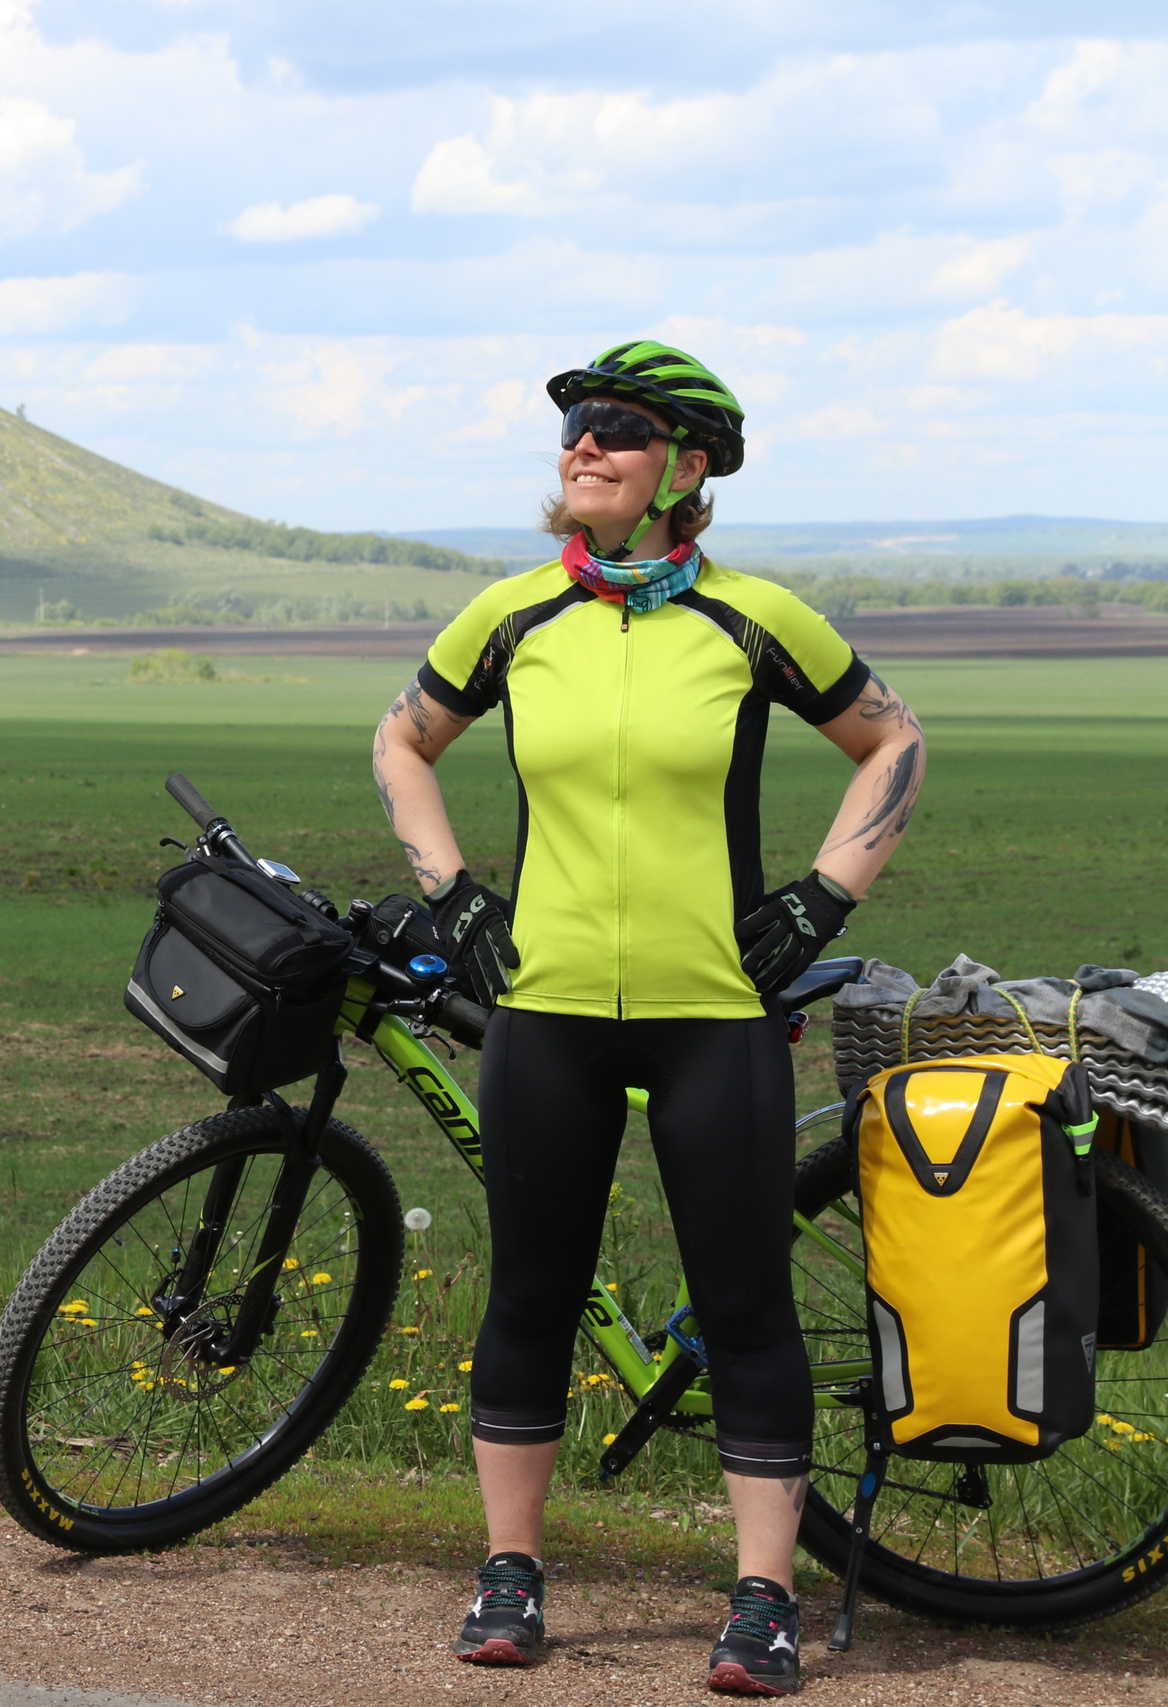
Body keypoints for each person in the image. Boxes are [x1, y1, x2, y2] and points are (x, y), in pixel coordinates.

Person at [370, 341, 926, 1696]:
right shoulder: (510, 617)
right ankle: (509, 1573)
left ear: (685, 467)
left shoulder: (755, 620)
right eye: (569, 428)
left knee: (744, 1305)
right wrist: (452, 899)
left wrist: (822, 899)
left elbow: (895, 741)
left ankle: (761, 1600)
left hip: (711, 1014)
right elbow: (402, 742)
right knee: (531, 1292)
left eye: (613, 428)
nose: (581, 447)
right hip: (546, 1012)